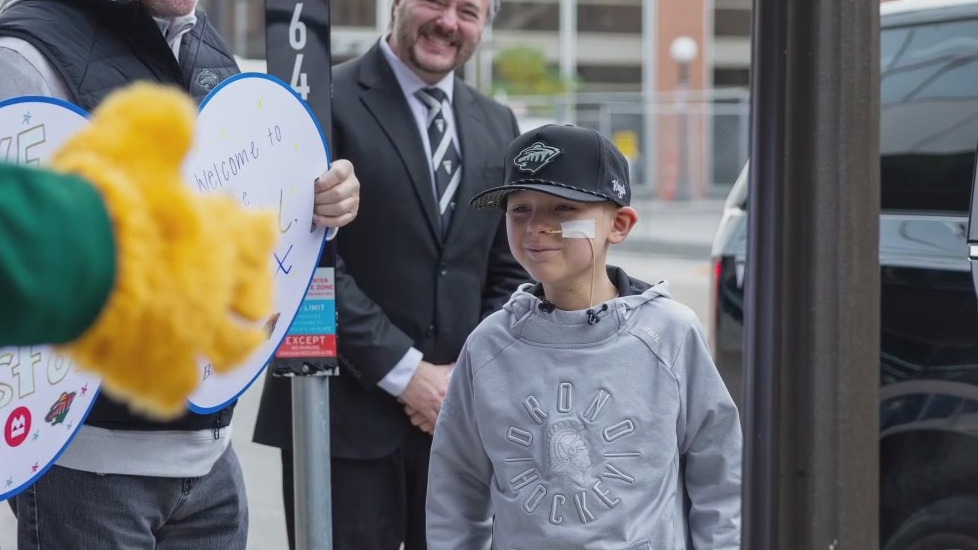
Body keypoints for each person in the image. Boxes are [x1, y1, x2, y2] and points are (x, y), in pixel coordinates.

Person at [0, 1, 360, 548]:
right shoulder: (25, 55)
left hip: (211, 456)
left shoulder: (207, 46)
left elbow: (245, 204)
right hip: (88, 466)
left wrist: (318, 206)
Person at [252, 0, 527, 548]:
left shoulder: (498, 123)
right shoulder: (319, 99)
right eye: (435, 3)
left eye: (468, 11)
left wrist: (459, 380)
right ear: (397, 4)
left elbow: (508, 267)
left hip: (456, 426)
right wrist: (409, 376)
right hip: (341, 422)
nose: (449, 22)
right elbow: (305, 261)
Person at [426, 124, 743, 549]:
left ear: (620, 224)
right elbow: (456, 491)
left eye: (563, 209)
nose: (537, 226)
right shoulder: (488, 346)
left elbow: (720, 475)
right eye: (520, 209)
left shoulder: (670, 334)